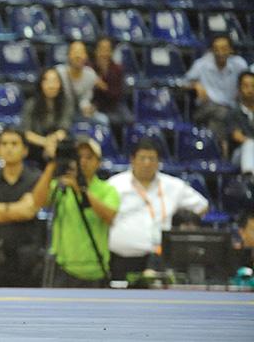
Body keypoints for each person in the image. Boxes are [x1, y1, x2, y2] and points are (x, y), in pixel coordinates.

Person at [107, 138, 209, 281]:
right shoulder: (115, 185)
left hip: (161, 259)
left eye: (152, 159)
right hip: (123, 259)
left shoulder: (173, 186)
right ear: (132, 160)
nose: (147, 163)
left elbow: (202, 206)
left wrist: (181, 223)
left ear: (158, 162)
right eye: (142, 158)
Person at [31, 138, 119, 287]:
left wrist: (80, 189)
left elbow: (110, 217)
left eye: (89, 157)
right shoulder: (62, 185)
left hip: (95, 268)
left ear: (98, 162)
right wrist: (53, 165)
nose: (83, 161)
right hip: (62, 269)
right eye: (79, 157)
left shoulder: (107, 190)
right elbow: (38, 202)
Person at [0, 128, 44, 287]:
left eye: (14, 143)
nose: (9, 148)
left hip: (27, 263)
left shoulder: (35, 179)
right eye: (4, 144)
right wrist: (16, 210)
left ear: (25, 150)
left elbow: (30, 210)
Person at [184, 35, 248, 144]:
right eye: (216, 49)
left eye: (224, 48)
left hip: (231, 108)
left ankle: (219, 150)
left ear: (231, 50)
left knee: (222, 117)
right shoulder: (202, 64)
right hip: (205, 108)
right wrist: (196, 85)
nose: (220, 52)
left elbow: (248, 81)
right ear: (211, 50)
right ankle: (221, 150)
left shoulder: (239, 65)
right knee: (223, 113)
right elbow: (183, 82)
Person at [21, 68, 73, 163]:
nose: (51, 86)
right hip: (36, 145)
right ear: (41, 84)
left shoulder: (66, 103)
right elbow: (27, 133)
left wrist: (52, 141)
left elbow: (63, 129)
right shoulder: (31, 104)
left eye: (55, 81)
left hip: (59, 146)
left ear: (60, 84)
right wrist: (46, 142)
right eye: (47, 81)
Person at [56, 40, 108, 124]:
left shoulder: (90, 74)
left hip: (79, 113)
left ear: (86, 56)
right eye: (75, 52)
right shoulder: (58, 73)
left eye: (81, 52)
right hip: (61, 112)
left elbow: (86, 97)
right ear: (68, 56)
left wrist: (87, 107)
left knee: (103, 120)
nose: (78, 56)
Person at [91, 37, 131, 125]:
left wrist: (103, 87)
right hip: (96, 106)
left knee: (129, 120)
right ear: (96, 51)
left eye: (107, 50)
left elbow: (117, 94)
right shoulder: (90, 69)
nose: (104, 53)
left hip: (113, 105)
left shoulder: (117, 69)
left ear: (111, 52)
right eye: (101, 49)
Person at [226, 72, 254, 175]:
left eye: (253, 86)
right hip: (239, 154)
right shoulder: (234, 112)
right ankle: (250, 180)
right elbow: (237, 136)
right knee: (249, 145)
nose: (250, 90)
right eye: (246, 86)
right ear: (239, 89)